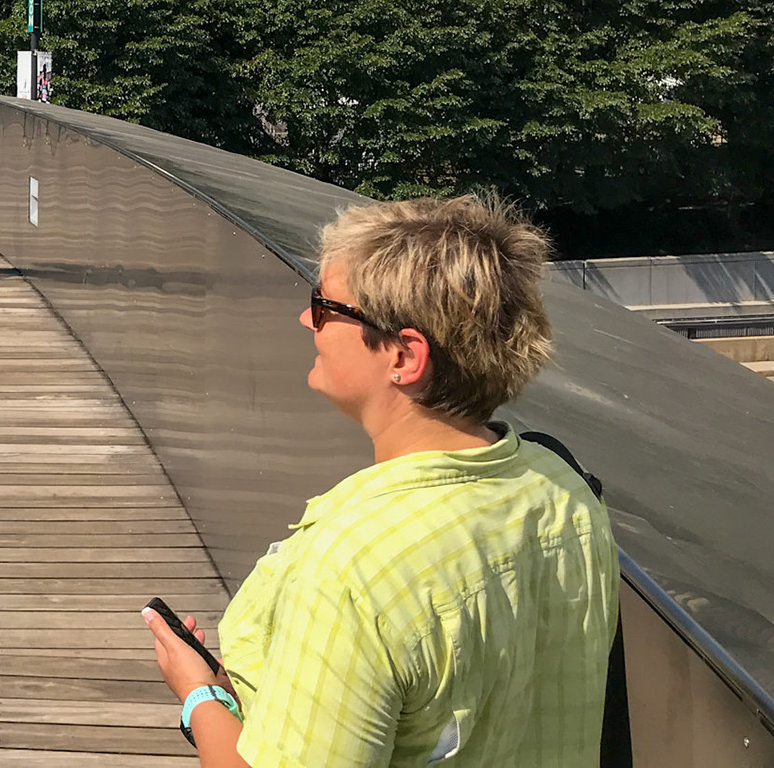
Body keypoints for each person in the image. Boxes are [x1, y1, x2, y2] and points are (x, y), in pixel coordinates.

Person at [142, 193, 618, 768]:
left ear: (403, 356)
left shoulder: (353, 571)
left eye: (325, 306)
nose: (304, 319)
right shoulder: (563, 492)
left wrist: (200, 695)